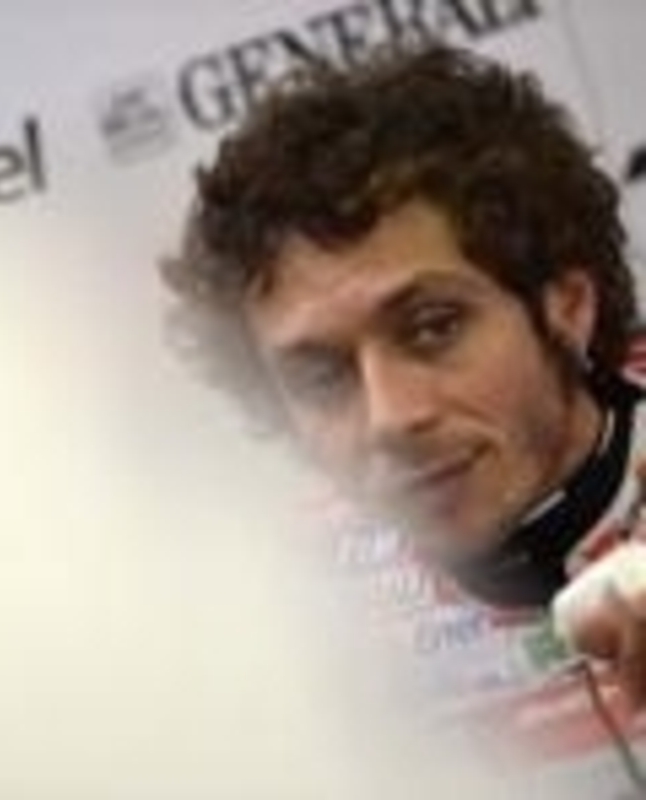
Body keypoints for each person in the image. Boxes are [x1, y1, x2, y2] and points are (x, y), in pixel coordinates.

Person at [161, 42, 646, 796]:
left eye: (432, 328)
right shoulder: (280, 624)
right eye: (321, 376)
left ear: (567, 305)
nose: (390, 417)